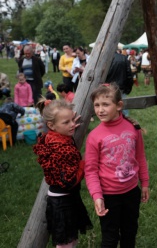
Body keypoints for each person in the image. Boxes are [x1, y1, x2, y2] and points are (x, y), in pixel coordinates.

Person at [85, 83, 150, 247]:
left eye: (106, 104)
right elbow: (91, 170)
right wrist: (97, 196)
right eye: (97, 105)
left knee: (130, 232)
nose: (100, 110)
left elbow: (140, 157)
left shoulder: (133, 128)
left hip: (131, 193)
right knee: (110, 238)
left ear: (119, 105)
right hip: (108, 197)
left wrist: (145, 183)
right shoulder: (94, 137)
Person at [33, 98, 92, 247]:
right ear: (51, 125)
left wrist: (68, 126)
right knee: (66, 243)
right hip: (63, 200)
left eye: (72, 120)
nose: (72, 124)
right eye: (66, 122)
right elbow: (70, 180)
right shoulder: (60, 148)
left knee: (71, 239)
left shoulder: (54, 137)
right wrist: (84, 162)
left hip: (65, 197)